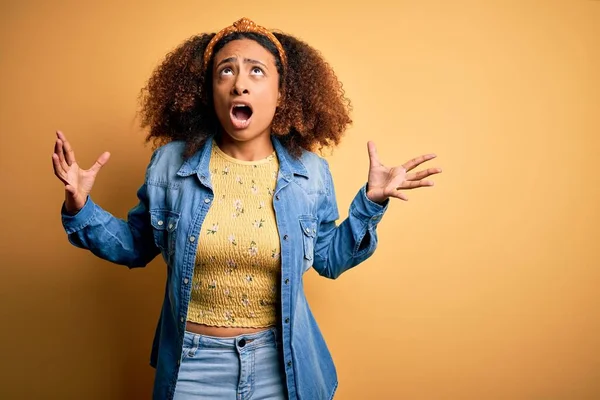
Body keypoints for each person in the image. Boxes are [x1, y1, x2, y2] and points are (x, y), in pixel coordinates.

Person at [52, 17, 441, 400]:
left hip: (281, 365)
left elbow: (328, 259)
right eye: (226, 71)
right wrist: (81, 205)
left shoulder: (311, 173)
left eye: (256, 71)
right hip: (192, 366)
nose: (240, 82)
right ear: (210, 91)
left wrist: (371, 204)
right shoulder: (170, 165)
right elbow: (135, 245)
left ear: (281, 94)